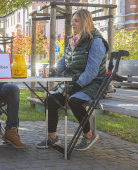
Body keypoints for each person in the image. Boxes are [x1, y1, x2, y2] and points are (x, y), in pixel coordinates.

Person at [36, 9, 108, 150]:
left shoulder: (96, 41)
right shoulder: (74, 41)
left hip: (93, 83)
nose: (72, 24)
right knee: (51, 99)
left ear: (85, 22)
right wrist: (54, 71)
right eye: (72, 21)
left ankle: (89, 135)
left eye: (76, 21)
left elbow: (92, 72)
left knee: (73, 100)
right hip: (75, 83)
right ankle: (52, 138)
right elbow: (63, 61)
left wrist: (75, 89)